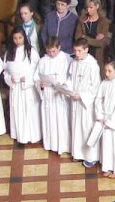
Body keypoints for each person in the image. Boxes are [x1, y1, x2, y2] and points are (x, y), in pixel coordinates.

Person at [65, 39, 101, 167]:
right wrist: (67, 88)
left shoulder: (92, 65)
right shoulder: (74, 62)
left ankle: (91, 156)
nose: (77, 53)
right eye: (75, 51)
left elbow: (95, 87)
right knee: (75, 126)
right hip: (75, 100)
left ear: (86, 49)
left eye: (79, 51)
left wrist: (81, 95)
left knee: (86, 128)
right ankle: (78, 153)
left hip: (86, 103)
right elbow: (70, 78)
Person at [3, 28, 41, 146]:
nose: (18, 41)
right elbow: (5, 70)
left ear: (24, 37)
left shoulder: (31, 51)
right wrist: (10, 78)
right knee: (17, 110)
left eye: (20, 38)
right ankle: (19, 135)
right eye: (15, 38)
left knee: (29, 110)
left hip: (28, 87)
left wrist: (28, 78)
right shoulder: (9, 52)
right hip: (16, 87)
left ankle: (32, 135)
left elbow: (37, 69)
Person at [38, 37, 72, 156]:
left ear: (59, 47)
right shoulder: (43, 60)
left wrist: (59, 84)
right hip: (47, 94)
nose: (51, 54)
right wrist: (40, 84)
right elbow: (37, 77)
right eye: (49, 51)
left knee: (60, 120)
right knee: (49, 119)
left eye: (53, 51)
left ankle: (62, 145)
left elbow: (69, 78)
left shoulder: (66, 59)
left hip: (59, 95)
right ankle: (50, 143)